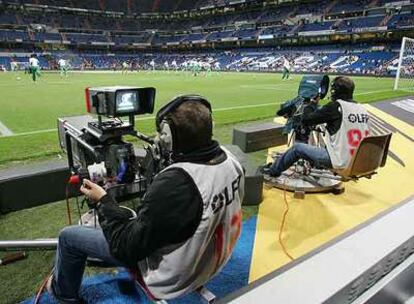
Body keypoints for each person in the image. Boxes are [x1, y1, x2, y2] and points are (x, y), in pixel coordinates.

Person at [47, 95, 244, 303]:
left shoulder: (176, 184)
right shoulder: (230, 160)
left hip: (173, 278)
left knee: (69, 237)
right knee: (129, 215)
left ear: (169, 136)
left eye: (161, 133)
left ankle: (63, 294)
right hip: (211, 261)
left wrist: (103, 200)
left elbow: (126, 248)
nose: (158, 137)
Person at [265, 76, 370, 177]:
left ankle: (273, 170)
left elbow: (306, 120)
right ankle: (314, 165)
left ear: (334, 91)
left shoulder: (336, 107)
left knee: (297, 149)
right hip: (359, 161)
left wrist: (312, 103)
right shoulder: (362, 109)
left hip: (341, 161)